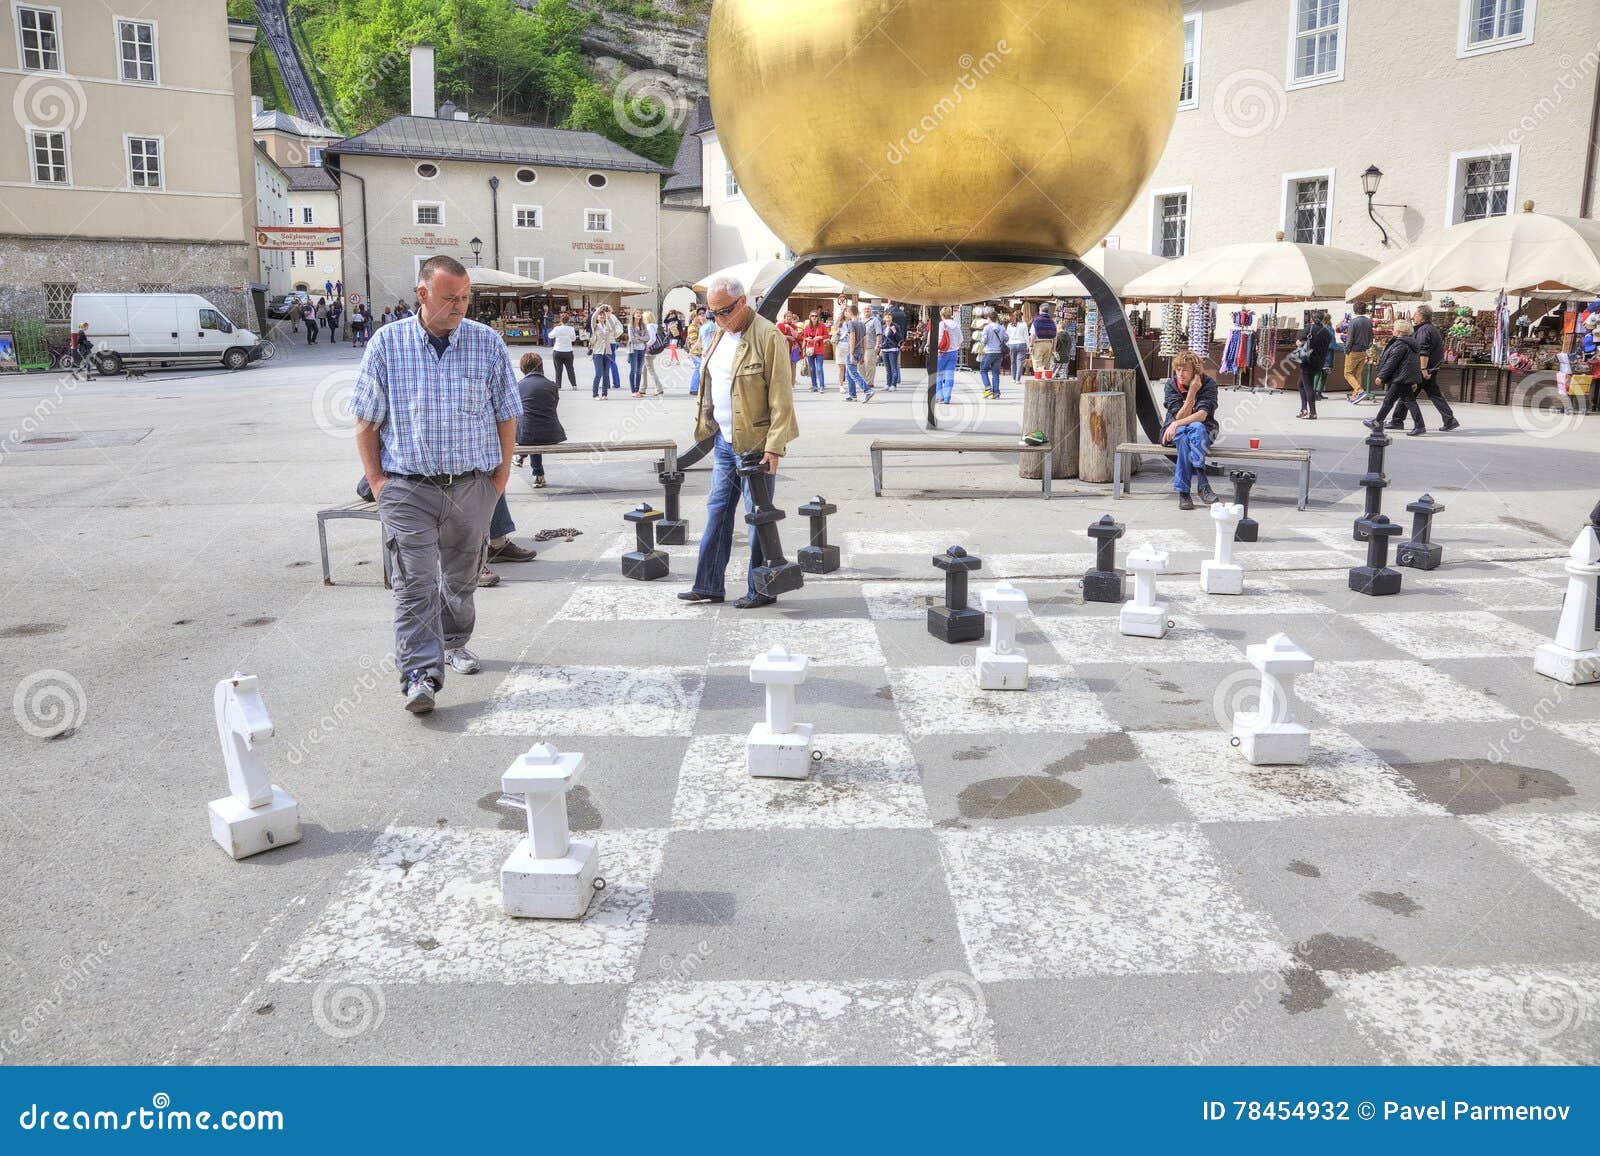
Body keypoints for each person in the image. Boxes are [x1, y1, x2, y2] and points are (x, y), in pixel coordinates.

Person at [349, 255, 520, 715]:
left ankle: (453, 642)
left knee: (461, 582)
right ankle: (420, 675)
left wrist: (498, 479)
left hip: (471, 486)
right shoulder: (387, 343)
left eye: (465, 297)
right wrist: (378, 482)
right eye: (450, 298)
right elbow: (366, 422)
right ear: (421, 294)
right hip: (407, 488)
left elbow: (507, 414)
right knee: (415, 584)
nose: (460, 306)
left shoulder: (486, 343)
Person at [678, 274, 799, 610]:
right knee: (717, 512)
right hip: (724, 442)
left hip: (756, 444)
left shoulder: (768, 336)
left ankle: (762, 588)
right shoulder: (718, 333)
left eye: (724, 312)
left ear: (742, 303)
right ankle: (708, 584)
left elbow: (781, 397)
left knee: (757, 516)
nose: (717, 318)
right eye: (712, 312)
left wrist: (775, 445)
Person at [1162, 350, 1221, 510]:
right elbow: (1179, 415)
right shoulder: (1171, 385)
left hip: (1203, 431)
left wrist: (1176, 423)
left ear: (1195, 371)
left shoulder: (1208, 384)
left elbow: (1202, 415)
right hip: (1173, 432)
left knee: (1195, 429)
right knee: (1184, 434)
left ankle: (1184, 494)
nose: (1180, 374)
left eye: (1185, 370)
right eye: (1178, 369)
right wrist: (1191, 394)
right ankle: (1202, 482)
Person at [1364, 319, 1426, 436]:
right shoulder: (1410, 343)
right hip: (1404, 377)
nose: (1392, 330)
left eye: (1394, 328)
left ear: (1399, 331)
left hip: (1401, 378)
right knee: (1389, 401)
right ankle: (1377, 421)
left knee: (1409, 402)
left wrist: (1381, 376)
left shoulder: (1400, 344)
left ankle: (1420, 426)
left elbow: (1392, 362)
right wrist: (1413, 380)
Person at [515, 350, 565, 489]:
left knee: (528, 425)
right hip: (552, 434)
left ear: (523, 368)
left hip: (526, 436)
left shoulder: (519, 386)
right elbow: (553, 406)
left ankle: (523, 456)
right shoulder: (552, 385)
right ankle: (538, 475)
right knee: (534, 425)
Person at [1407, 305, 1462, 432]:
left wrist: (1423, 368)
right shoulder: (1430, 328)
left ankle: (1397, 419)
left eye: (1415, 314)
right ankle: (1449, 419)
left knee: (1408, 393)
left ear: (1421, 316)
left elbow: (1423, 351)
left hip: (1425, 368)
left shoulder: (1423, 330)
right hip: (1430, 368)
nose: (1413, 317)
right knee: (1433, 394)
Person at [1296, 310, 1332, 419]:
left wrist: (1299, 343)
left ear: (1312, 319)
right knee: (1301, 384)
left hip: (1308, 361)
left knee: (1308, 387)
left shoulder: (1309, 328)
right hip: (1320, 362)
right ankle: (1303, 409)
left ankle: (1312, 412)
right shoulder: (1327, 332)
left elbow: (1299, 342)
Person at [842, 305, 874, 402]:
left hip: (853, 351)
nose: (845, 313)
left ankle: (867, 390)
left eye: (846, 311)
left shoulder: (851, 323)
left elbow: (852, 338)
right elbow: (865, 340)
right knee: (848, 374)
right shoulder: (862, 323)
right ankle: (852, 395)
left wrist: (851, 354)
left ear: (850, 312)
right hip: (860, 351)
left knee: (853, 373)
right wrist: (863, 354)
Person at [1343, 301, 1374, 402]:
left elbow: (1350, 338)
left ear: (1355, 310)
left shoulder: (1353, 322)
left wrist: (1347, 350)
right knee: (1357, 374)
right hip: (1363, 350)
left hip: (1353, 350)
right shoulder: (1369, 321)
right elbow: (1371, 337)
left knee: (1347, 373)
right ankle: (1355, 396)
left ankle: (1360, 392)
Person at [589, 305, 620, 398]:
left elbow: (614, 328)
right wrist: (599, 309)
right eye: (600, 315)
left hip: (607, 352)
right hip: (597, 352)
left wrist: (608, 315)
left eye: (603, 315)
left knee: (606, 374)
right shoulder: (595, 326)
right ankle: (595, 394)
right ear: (598, 316)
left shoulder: (607, 326)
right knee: (599, 373)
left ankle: (604, 394)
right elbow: (593, 318)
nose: (602, 316)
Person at [978, 310, 1006, 399]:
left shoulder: (987, 328)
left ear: (989, 318)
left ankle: (988, 388)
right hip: (998, 352)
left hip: (989, 351)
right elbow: (1006, 337)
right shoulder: (1001, 327)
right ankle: (996, 393)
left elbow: (984, 340)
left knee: (983, 369)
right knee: (995, 373)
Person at [936, 305, 961, 403]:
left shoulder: (942, 324)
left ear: (942, 314)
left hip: (942, 352)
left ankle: (940, 396)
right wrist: (955, 346)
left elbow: (940, 338)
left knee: (938, 375)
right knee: (949, 375)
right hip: (954, 352)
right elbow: (960, 339)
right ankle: (947, 397)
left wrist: (938, 348)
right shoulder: (956, 325)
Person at [548, 310, 578, 389]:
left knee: (558, 369)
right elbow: (574, 339)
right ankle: (574, 385)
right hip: (568, 351)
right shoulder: (571, 329)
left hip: (557, 350)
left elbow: (550, 336)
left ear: (560, 320)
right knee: (570, 369)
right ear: (568, 320)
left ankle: (558, 386)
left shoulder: (557, 328)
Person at [802, 310, 831, 392]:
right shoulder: (807, 327)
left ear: (818, 317)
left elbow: (827, 335)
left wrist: (820, 337)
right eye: (812, 316)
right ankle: (814, 386)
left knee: (819, 368)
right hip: (810, 349)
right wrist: (805, 345)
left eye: (815, 316)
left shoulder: (822, 326)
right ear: (810, 317)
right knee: (812, 369)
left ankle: (821, 386)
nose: (814, 317)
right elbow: (804, 337)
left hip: (819, 350)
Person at [1029, 303, 1057, 376]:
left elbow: (1033, 334)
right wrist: (1053, 349)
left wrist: (1031, 346)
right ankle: (1046, 380)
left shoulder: (1037, 320)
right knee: (1046, 365)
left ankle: (1040, 381)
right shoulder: (1052, 321)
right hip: (1049, 344)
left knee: (1038, 365)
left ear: (1040, 310)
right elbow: (1055, 336)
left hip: (1038, 344)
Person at [627, 309, 649, 396]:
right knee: (633, 370)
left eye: (640, 313)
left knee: (639, 371)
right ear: (633, 315)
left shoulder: (643, 326)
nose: (639, 314)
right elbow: (632, 339)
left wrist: (639, 338)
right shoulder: (630, 326)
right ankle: (633, 391)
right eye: (637, 313)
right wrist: (642, 339)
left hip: (642, 350)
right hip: (633, 350)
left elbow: (647, 337)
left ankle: (637, 390)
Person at [687, 305, 708, 395]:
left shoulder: (699, 326)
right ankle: (693, 388)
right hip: (695, 352)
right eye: (698, 315)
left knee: (700, 368)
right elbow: (694, 340)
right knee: (698, 368)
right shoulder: (692, 327)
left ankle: (698, 388)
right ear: (694, 317)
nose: (700, 317)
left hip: (698, 352)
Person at [1006, 308, 1030, 383]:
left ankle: (1013, 378)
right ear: (1021, 316)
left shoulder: (1010, 325)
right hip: (1022, 344)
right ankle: (1017, 379)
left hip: (1012, 344)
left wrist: (1007, 345)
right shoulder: (1024, 324)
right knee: (1020, 362)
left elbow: (1007, 336)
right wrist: (1028, 346)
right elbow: (1026, 336)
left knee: (1013, 362)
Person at [880, 310, 903, 391]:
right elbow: (882, 339)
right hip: (884, 349)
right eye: (886, 316)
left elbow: (900, 338)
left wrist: (895, 332)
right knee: (887, 369)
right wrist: (880, 348)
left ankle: (893, 385)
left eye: (889, 316)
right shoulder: (883, 327)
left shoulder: (896, 326)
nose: (888, 318)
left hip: (893, 349)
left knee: (893, 368)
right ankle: (888, 384)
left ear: (892, 318)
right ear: (884, 318)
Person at [862, 305, 882, 391]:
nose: (867, 310)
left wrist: (878, 345)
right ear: (863, 311)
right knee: (861, 365)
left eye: (868, 309)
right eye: (865, 309)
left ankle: (869, 383)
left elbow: (879, 333)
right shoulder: (860, 320)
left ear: (871, 311)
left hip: (870, 346)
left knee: (869, 365)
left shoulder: (875, 320)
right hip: (861, 347)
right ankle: (863, 381)